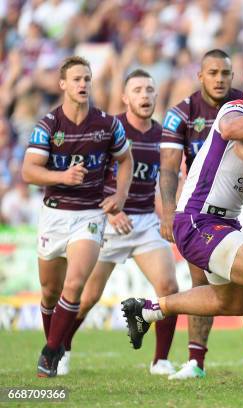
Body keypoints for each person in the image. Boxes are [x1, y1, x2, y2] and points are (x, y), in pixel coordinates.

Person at [122, 66, 243, 390]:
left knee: (235, 303)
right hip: (199, 219)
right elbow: (230, 130)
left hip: (222, 222)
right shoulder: (235, 109)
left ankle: (148, 310)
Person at [57, 69, 179, 376]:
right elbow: (85, 177)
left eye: (150, 90)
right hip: (108, 222)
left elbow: (164, 179)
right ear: (125, 97)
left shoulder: (162, 135)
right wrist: (112, 209)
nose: (145, 96)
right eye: (138, 90)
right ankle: (61, 350)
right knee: (85, 298)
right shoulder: (109, 130)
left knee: (169, 288)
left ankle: (161, 360)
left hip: (144, 224)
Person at [160, 49, 243, 379]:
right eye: (213, 73)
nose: (220, 79)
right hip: (202, 202)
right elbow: (168, 168)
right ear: (201, 76)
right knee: (200, 281)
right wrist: (168, 211)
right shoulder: (181, 113)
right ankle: (196, 361)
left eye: (226, 73)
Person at [22, 56, 133, 378]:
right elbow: (29, 170)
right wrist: (62, 177)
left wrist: (120, 195)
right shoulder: (49, 124)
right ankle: (55, 345)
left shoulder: (107, 124)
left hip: (90, 214)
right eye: (76, 79)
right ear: (63, 85)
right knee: (49, 292)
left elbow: (126, 160)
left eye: (87, 78)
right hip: (54, 215)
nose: (83, 84)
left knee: (74, 284)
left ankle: (48, 354)